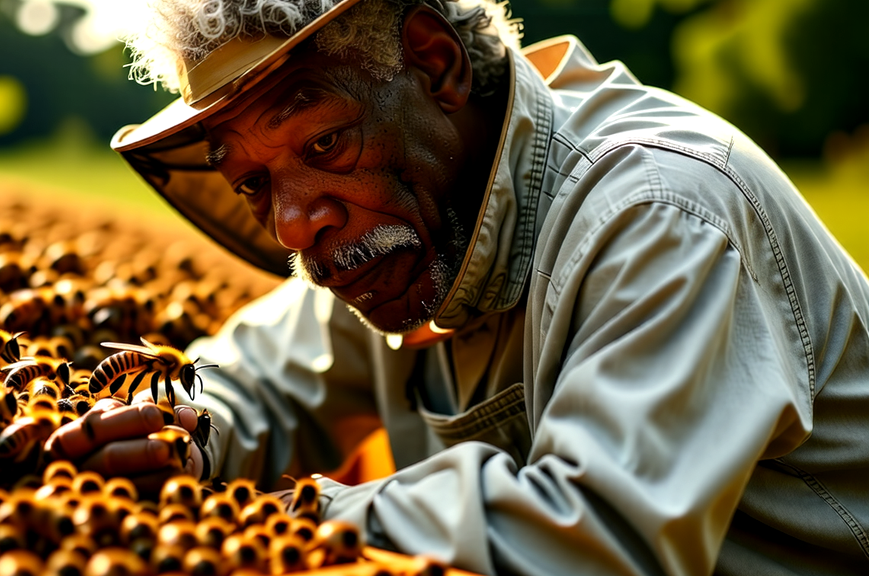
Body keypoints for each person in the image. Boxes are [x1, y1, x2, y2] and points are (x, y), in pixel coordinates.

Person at [45, 0, 869, 573]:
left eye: (325, 142)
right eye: (255, 185)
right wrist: (189, 437)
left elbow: (590, 543)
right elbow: (259, 379)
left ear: (436, 65)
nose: (295, 227)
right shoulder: (394, 230)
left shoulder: (660, 214)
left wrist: (289, 519)